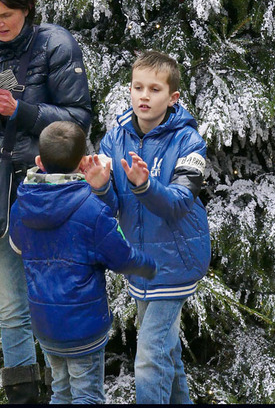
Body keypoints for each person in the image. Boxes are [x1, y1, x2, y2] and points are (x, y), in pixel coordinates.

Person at [0, 0, 92, 404]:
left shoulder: (55, 43)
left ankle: (65, 395)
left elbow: (79, 121)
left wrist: (22, 110)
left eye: (7, 14)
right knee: (11, 309)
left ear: (27, 8)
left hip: (45, 188)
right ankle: (23, 398)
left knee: (52, 301)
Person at [9, 120, 157, 405]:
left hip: (45, 323)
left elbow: (17, 246)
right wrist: (149, 265)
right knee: (87, 395)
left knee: (61, 392)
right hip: (84, 327)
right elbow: (121, 257)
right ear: (82, 164)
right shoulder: (92, 210)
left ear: (39, 161)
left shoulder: (22, 204)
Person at [93, 49, 211, 404]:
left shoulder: (189, 142)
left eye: (154, 89)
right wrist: (100, 185)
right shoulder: (114, 140)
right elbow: (111, 207)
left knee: (149, 359)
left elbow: (177, 204)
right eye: (137, 87)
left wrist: (144, 186)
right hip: (141, 262)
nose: (144, 96)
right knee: (165, 353)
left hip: (177, 261)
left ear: (172, 97)